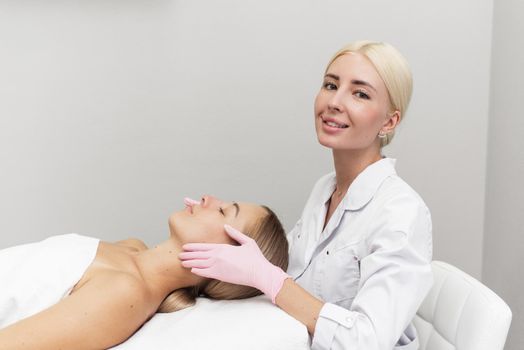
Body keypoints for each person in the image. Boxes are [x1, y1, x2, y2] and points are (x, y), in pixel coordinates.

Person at [180, 41, 433, 350]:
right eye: (331, 85)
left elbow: (367, 341)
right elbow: (291, 272)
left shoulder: (400, 213)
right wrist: (217, 226)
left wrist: (269, 278)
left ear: (389, 121)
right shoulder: (325, 189)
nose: (335, 102)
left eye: (360, 93)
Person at [0, 195, 289, 350]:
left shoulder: (125, 294)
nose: (208, 198)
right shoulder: (132, 248)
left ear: (231, 259)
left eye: (225, 211)